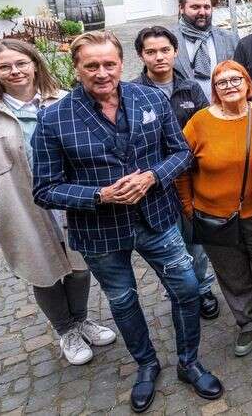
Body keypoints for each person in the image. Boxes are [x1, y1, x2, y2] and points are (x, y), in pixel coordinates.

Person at [32, 31, 220, 413]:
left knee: (186, 289)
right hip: (100, 230)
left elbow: (180, 153)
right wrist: (98, 195)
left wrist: (152, 176)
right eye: (92, 65)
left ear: (121, 63)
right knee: (123, 300)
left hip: (157, 219)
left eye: (109, 64)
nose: (102, 73)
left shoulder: (149, 97)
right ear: (77, 67)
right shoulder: (53, 119)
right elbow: (45, 189)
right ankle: (147, 364)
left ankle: (189, 362)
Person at [0, 40, 116, 367]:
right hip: (25, 213)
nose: (14, 71)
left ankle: (81, 319)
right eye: (4, 66)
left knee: (79, 266)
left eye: (21, 63)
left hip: (70, 204)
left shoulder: (64, 102)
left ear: (35, 64)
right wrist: (6, 217)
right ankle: (66, 331)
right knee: (44, 273)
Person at [176, 61, 252, 357]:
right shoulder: (199, 122)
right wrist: (189, 206)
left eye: (235, 79)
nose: (229, 86)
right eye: (221, 82)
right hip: (215, 217)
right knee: (232, 273)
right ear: (214, 89)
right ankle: (247, 320)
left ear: (248, 83)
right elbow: (181, 168)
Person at [132, 27, 218, 318]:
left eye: (164, 50)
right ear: (141, 56)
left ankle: (203, 290)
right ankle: (181, 294)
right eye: (151, 52)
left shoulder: (191, 88)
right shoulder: (133, 94)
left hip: (192, 178)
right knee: (170, 243)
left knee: (196, 241)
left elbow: (207, 127)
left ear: (175, 52)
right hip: (157, 182)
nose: (159, 57)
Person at [170, 0, 239, 101]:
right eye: (195, 7)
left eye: (206, 7)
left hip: (223, 109)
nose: (202, 12)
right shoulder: (168, 40)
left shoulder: (230, 39)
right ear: (181, 8)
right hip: (184, 113)